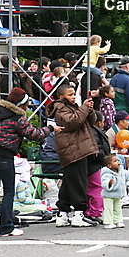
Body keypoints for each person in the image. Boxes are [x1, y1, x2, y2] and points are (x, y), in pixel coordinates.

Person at [0, 87, 60, 236]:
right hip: (6, 156)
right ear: (21, 104)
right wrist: (50, 128)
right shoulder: (18, 118)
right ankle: (5, 227)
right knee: (9, 192)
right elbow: (35, 134)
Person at [48, 84, 99, 227]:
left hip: (79, 149)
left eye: (73, 94)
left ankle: (62, 213)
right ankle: (78, 213)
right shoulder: (59, 108)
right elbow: (73, 122)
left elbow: (91, 121)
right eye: (70, 94)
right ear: (61, 96)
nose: (73, 97)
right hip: (72, 150)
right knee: (78, 183)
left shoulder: (74, 107)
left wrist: (89, 109)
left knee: (69, 183)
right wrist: (83, 108)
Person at [84, 111, 111, 225]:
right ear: (98, 122)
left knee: (92, 188)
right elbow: (98, 149)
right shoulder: (94, 132)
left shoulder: (90, 131)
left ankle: (91, 211)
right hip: (95, 164)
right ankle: (94, 212)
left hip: (92, 164)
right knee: (96, 189)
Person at [101, 154, 129, 229]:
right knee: (108, 209)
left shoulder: (121, 171)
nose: (118, 162)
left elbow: (128, 176)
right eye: (115, 161)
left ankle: (118, 221)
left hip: (118, 194)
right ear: (109, 165)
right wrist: (109, 183)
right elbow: (104, 182)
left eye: (118, 160)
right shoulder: (106, 172)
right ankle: (108, 222)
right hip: (108, 195)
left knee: (118, 208)